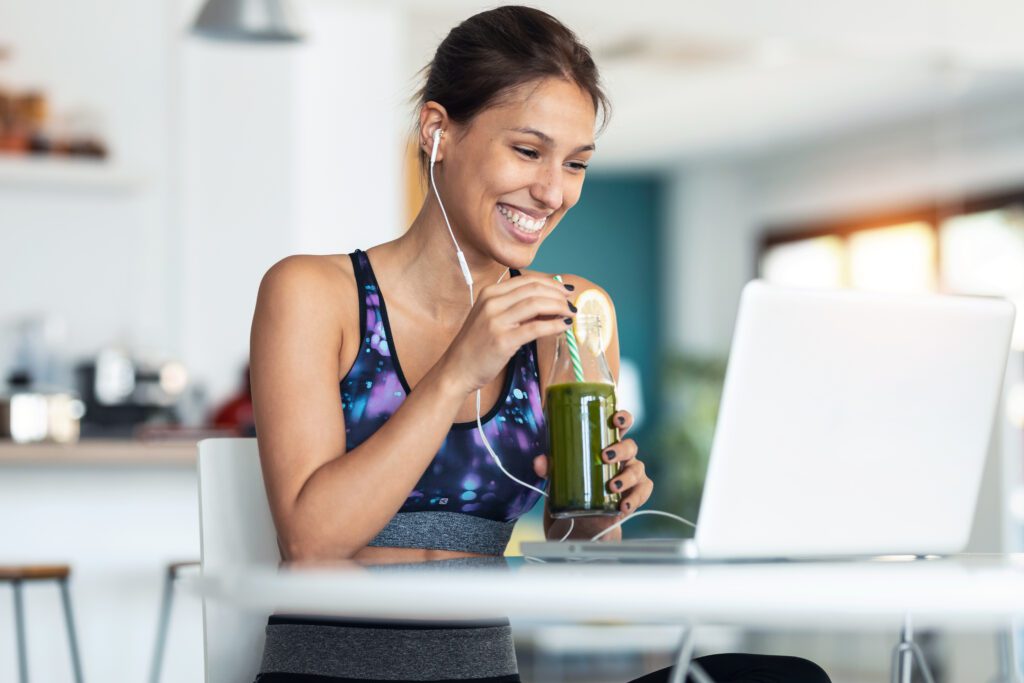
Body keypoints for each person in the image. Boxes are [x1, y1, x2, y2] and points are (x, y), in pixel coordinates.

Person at [248, 6, 831, 682]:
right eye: (527, 151)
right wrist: (456, 372)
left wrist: (600, 512)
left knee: (781, 677)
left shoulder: (574, 316)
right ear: (438, 132)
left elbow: (583, 551)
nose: (553, 191)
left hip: (486, 672)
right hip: (330, 675)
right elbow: (310, 541)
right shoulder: (314, 293)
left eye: (576, 163)